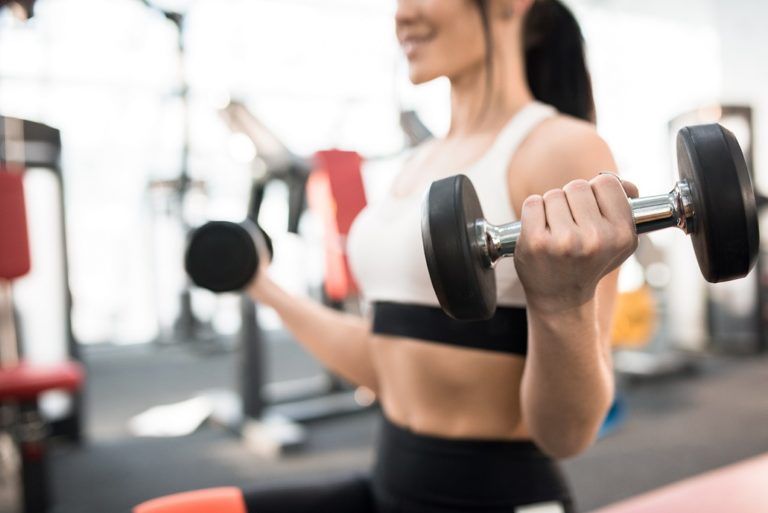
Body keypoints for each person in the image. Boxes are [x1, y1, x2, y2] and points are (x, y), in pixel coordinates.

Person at [245, 0, 638, 511]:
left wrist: (564, 303)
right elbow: (387, 359)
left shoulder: (561, 148)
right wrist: (263, 286)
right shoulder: (417, 164)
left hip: (493, 496)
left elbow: (567, 435)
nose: (401, 15)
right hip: (391, 481)